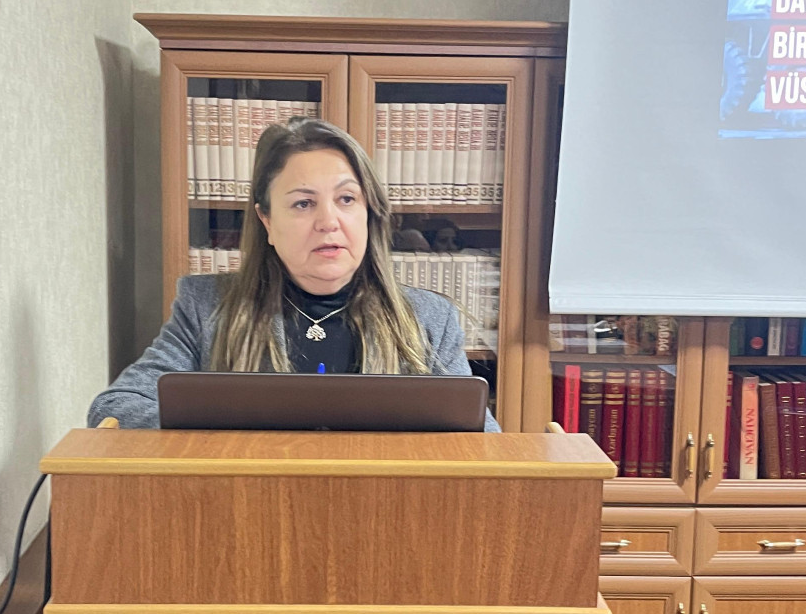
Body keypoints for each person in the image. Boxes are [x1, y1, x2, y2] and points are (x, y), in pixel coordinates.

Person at [89, 114, 500, 429]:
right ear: (267, 221)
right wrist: (235, 438)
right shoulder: (206, 307)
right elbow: (115, 408)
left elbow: (480, 440)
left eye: (346, 199)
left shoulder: (429, 319)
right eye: (303, 203)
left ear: (369, 212)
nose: (328, 221)